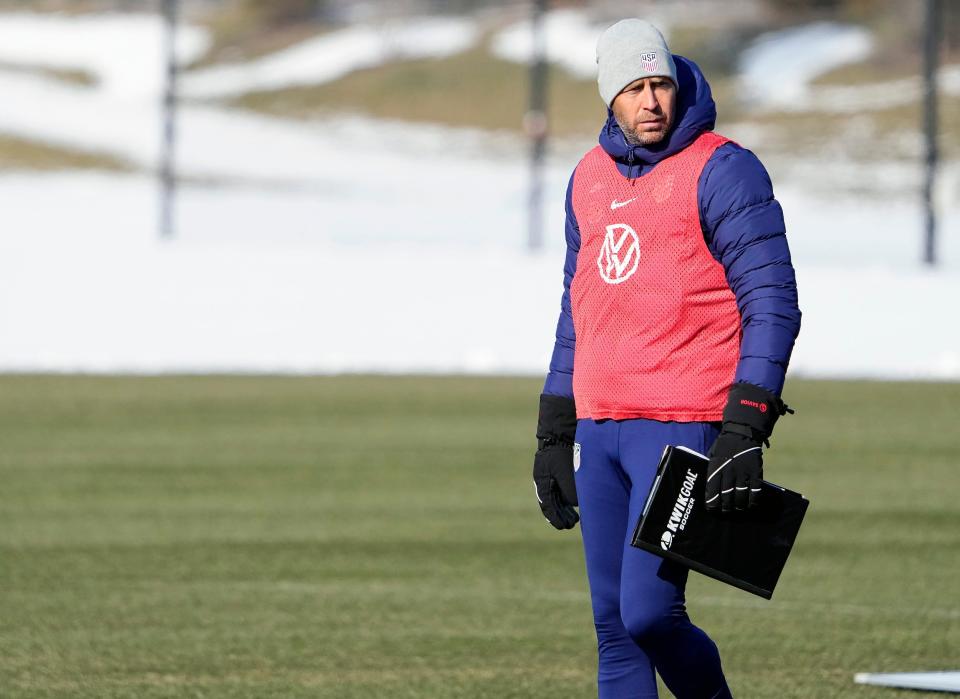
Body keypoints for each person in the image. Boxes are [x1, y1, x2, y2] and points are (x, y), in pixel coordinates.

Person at [532, 19, 802, 699]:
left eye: (659, 83)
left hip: (680, 427)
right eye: (632, 88)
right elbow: (579, 308)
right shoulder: (586, 178)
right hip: (601, 426)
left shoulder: (724, 168)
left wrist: (746, 421)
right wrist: (554, 428)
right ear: (609, 97)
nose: (650, 100)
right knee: (613, 626)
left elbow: (773, 299)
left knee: (649, 613)